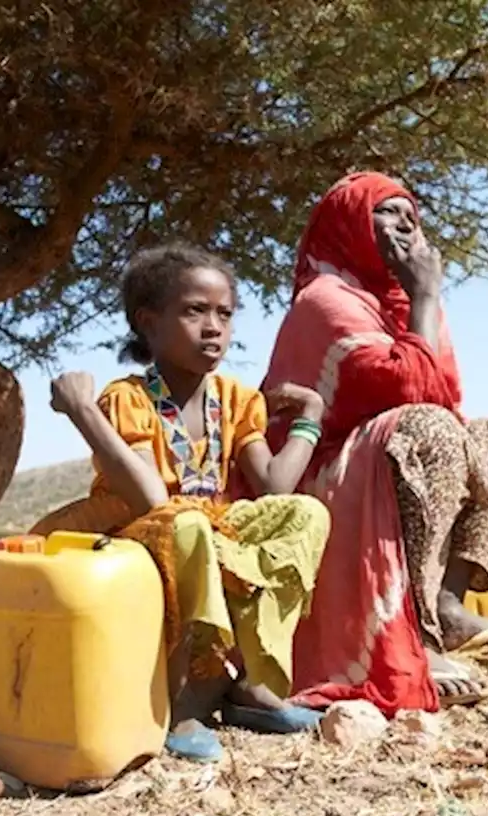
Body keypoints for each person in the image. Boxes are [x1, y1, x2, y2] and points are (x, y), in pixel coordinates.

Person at [260, 172, 488, 715]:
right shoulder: (323, 299)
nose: (407, 222)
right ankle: (414, 637)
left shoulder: (400, 304)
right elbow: (407, 389)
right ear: (350, 226)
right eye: (387, 212)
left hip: (386, 457)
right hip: (321, 476)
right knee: (429, 430)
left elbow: (444, 394)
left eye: (411, 213)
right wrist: (426, 292)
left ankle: (445, 606)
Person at [30, 243, 331, 763]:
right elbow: (148, 497)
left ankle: (251, 681)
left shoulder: (237, 400)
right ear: (148, 322)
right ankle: (186, 696)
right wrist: (83, 411)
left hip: (200, 525)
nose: (213, 326)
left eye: (224, 313)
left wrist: (311, 414)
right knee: (186, 522)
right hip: (132, 531)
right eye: (194, 311)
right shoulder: (127, 399)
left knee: (305, 515)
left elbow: (276, 486)